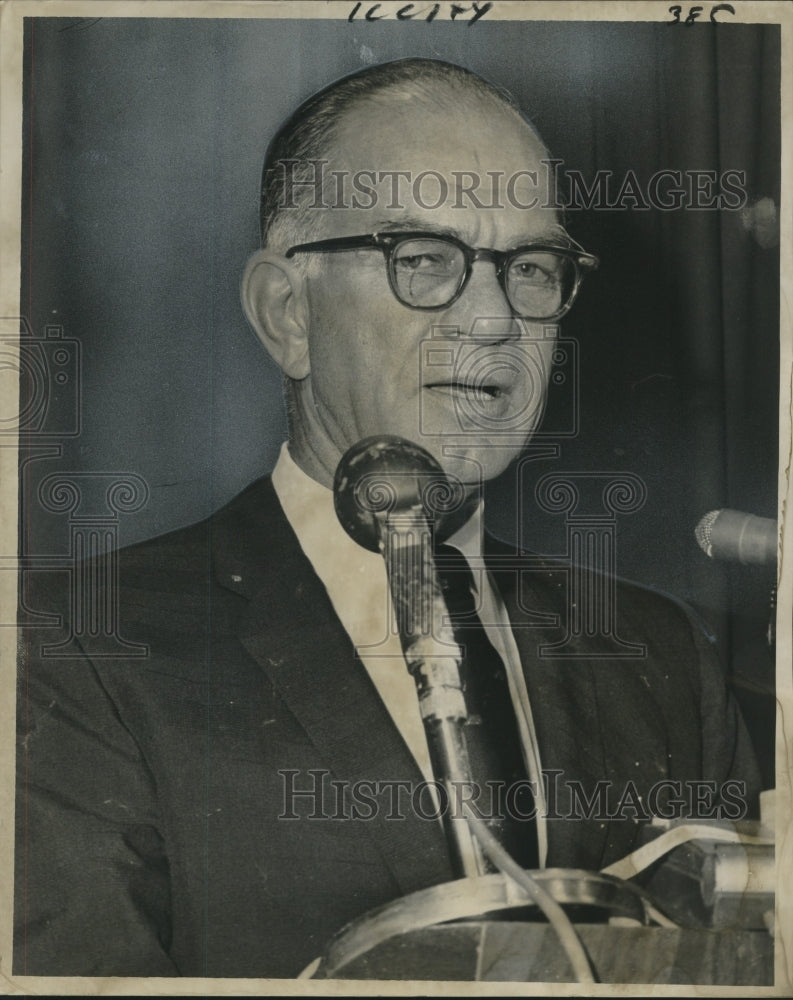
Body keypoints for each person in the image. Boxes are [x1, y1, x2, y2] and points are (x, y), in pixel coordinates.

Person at [14, 58, 761, 980]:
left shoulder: (663, 654)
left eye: (530, 268)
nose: (492, 320)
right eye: (424, 262)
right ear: (286, 313)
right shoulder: (73, 648)